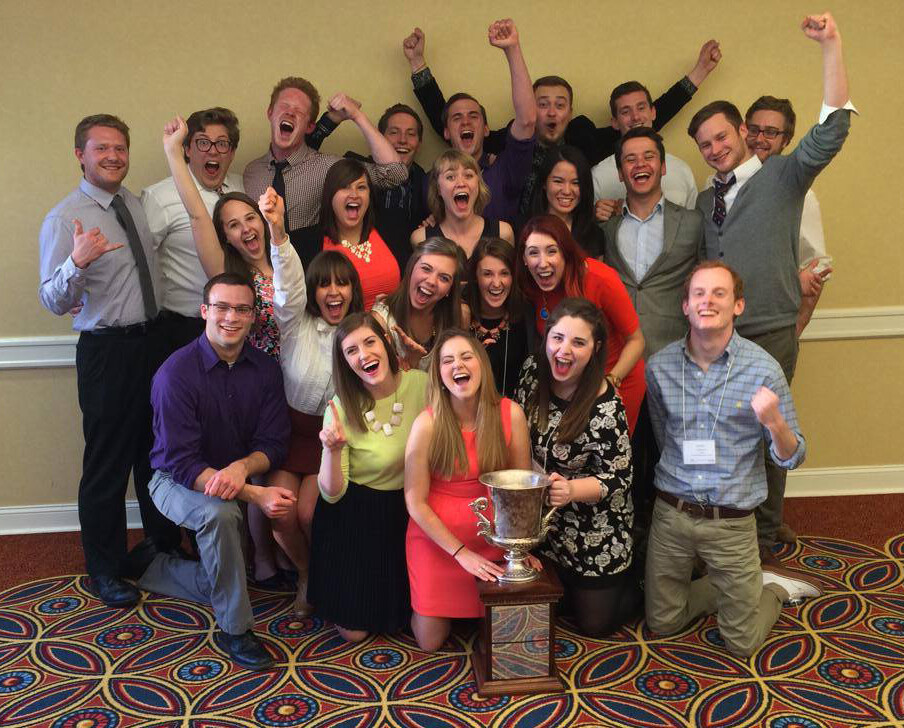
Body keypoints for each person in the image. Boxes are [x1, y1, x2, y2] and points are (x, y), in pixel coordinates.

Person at [688, 12, 854, 564]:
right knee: (719, 431)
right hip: (715, 334)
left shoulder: (783, 176)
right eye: (705, 145)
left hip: (771, 329)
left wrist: (831, 45)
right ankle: (722, 534)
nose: (715, 149)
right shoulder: (703, 199)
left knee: (769, 428)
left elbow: (832, 129)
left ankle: (765, 535)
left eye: (721, 137)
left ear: (742, 132)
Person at [644, 262, 822, 658]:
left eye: (719, 293)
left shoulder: (763, 369)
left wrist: (774, 421)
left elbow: (793, 457)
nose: (708, 301)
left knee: (741, 644)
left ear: (738, 305)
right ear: (686, 306)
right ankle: (739, 585)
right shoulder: (660, 368)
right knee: (662, 623)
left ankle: (772, 588)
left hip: (732, 519)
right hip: (672, 514)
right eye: (699, 294)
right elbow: (662, 436)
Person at [38, 113, 181, 608]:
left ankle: (161, 546)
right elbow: (53, 300)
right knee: (107, 464)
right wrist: (76, 262)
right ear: (81, 154)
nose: (114, 156)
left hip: (154, 343)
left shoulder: (138, 205)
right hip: (107, 351)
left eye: (120, 147)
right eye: (102, 149)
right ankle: (105, 568)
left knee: (154, 453)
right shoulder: (65, 218)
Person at [138, 272, 291, 671]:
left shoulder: (266, 370)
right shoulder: (175, 374)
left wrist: (242, 468)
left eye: (242, 309)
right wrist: (255, 494)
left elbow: (273, 443)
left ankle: (156, 568)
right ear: (204, 311)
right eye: (222, 307)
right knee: (220, 515)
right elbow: (183, 463)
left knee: (222, 577)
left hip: (235, 477)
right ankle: (236, 630)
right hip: (173, 481)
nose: (231, 317)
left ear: (254, 317)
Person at [258, 187, 365, 615]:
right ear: (313, 292)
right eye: (324, 284)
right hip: (290, 432)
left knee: (308, 514)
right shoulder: (293, 323)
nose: (334, 292)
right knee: (279, 512)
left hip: (332, 437)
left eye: (342, 283)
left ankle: (322, 572)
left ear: (354, 290)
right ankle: (307, 573)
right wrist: (278, 233)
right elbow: (286, 286)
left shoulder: (363, 331)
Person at [601, 127, 705, 562]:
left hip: (673, 358)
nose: (640, 165)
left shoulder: (693, 223)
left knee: (674, 456)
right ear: (620, 172)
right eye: (630, 159)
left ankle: (677, 553)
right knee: (624, 456)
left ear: (663, 166)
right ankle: (629, 550)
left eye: (648, 157)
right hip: (619, 362)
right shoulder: (603, 227)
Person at [515, 298, 637, 636]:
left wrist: (570, 491)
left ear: (596, 349)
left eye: (578, 342)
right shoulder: (531, 371)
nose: (564, 350)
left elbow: (620, 478)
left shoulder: (607, 405)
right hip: (542, 519)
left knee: (595, 625)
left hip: (593, 523)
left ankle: (638, 580)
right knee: (549, 604)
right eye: (558, 338)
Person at [405, 330, 532, 651]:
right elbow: (414, 501)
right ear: (439, 374)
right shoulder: (427, 423)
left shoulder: (510, 413)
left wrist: (520, 548)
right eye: (447, 360)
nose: (457, 365)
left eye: (466, 357)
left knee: (505, 636)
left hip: (494, 539)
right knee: (429, 641)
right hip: (438, 543)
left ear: (482, 365)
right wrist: (461, 554)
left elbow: (521, 487)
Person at [311, 313, 428, 642]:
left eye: (369, 342)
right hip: (355, 516)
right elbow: (332, 494)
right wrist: (332, 450)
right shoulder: (339, 407)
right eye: (351, 351)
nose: (363, 355)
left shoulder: (421, 384)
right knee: (355, 633)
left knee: (406, 619)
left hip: (407, 509)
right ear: (345, 362)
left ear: (386, 343)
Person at [161, 116, 280, 357]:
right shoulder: (230, 275)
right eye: (234, 225)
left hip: (303, 378)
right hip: (257, 376)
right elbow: (197, 216)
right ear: (225, 238)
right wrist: (173, 151)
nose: (246, 228)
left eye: (250, 218)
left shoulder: (285, 257)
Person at [516, 215, 645, 432]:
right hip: (569, 381)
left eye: (551, 251)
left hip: (616, 376)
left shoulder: (599, 278)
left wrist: (609, 383)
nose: (542, 262)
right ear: (524, 259)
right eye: (533, 252)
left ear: (566, 253)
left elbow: (637, 341)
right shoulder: (531, 285)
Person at [403, 19, 537, 225]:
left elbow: (527, 121)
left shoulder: (505, 170)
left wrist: (512, 49)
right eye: (457, 118)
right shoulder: (430, 180)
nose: (466, 122)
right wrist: (416, 62)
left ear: (485, 129)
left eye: (473, 116)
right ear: (446, 132)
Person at [243, 78, 407, 234]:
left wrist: (357, 115)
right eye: (284, 106)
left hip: (308, 261)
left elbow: (395, 174)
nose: (291, 113)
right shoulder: (251, 172)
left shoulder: (328, 167)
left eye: (299, 110)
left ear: (309, 127)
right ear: (270, 113)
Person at [141, 107, 244, 354]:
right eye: (202, 143)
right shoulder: (159, 197)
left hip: (238, 325)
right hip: (182, 328)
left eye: (221, 144)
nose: (212, 151)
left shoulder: (243, 188)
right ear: (187, 150)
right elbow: (138, 261)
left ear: (231, 153)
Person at [744, 96, 833, 340]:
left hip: (772, 333)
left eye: (771, 132)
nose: (759, 139)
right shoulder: (719, 186)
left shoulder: (799, 195)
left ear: (786, 140)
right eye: (754, 129)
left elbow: (817, 268)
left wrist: (795, 331)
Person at [293, 158, 402, 310]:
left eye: (361, 187)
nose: (354, 194)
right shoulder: (307, 245)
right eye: (345, 187)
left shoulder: (391, 230)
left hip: (393, 330)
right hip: (341, 332)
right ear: (330, 196)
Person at [591, 80, 700, 218]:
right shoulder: (599, 175)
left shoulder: (682, 170)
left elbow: (694, 227)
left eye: (641, 108)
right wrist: (594, 216)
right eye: (626, 111)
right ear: (615, 122)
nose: (635, 117)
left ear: (653, 112)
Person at [372, 237, 467, 370]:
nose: (432, 281)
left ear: (450, 289)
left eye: (444, 278)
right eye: (426, 269)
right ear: (411, 268)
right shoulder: (381, 321)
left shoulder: (459, 316)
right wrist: (411, 364)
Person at [412, 150, 514, 257]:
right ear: (438, 189)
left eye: (468, 175)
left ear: (478, 184)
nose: (461, 183)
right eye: (450, 177)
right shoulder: (421, 239)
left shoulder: (503, 234)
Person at [464, 238, 528, 398]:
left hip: (513, 414)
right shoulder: (461, 313)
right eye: (487, 274)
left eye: (504, 273)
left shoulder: (525, 315)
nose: (497, 283)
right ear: (475, 276)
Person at [530, 145, 605, 257]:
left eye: (576, 183)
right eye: (558, 181)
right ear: (544, 183)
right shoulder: (525, 229)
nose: (566, 191)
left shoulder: (594, 234)